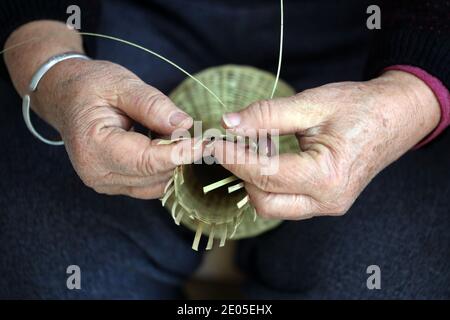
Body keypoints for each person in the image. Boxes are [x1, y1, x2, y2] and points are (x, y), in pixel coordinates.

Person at [0, 0, 448, 299]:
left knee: (379, 284)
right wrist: (55, 69)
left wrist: (414, 94)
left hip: (370, 49)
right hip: (115, 38)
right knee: (58, 278)